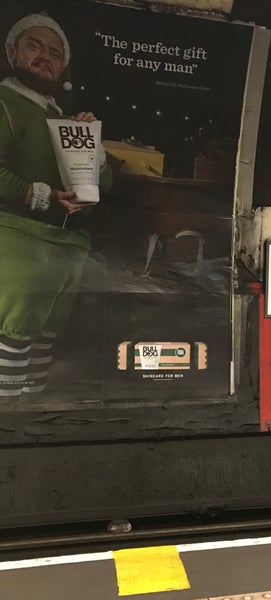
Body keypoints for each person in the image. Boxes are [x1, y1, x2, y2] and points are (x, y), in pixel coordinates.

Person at [0, 12, 112, 398]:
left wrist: (90, 143)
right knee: (11, 345)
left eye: (54, 52)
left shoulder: (63, 118)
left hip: (64, 251)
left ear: (62, 67)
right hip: (15, 247)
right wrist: (39, 195)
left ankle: (25, 426)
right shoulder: (4, 101)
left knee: (40, 353)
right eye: (34, 46)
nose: (45, 56)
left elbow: (104, 182)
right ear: (11, 50)